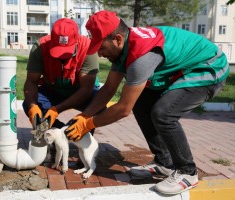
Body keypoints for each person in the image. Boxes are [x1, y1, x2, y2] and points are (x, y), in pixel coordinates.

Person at [64, 10, 230, 195]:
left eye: (101, 48)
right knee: (142, 103)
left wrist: (89, 124)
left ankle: (187, 172)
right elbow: (109, 88)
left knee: (163, 113)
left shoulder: (140, 56)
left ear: (117, 39)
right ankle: (164, 163)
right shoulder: (123, 49)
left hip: (208, 65)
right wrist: (84, 115)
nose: (100, 54)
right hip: (184, 66)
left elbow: (122, 109)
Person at [23, 18, 100, 132]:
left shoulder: (87, 48)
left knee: (99, 107)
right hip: (52, 90)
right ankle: (57, 133)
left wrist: (56, 109)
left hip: (80, 91)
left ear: (76, 40)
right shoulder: (40, 47)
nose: (61, 57)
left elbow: (86, 90)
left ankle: (80, 132)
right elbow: (31, 82)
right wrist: (33, 106)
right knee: (29, 104)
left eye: (66, 52)